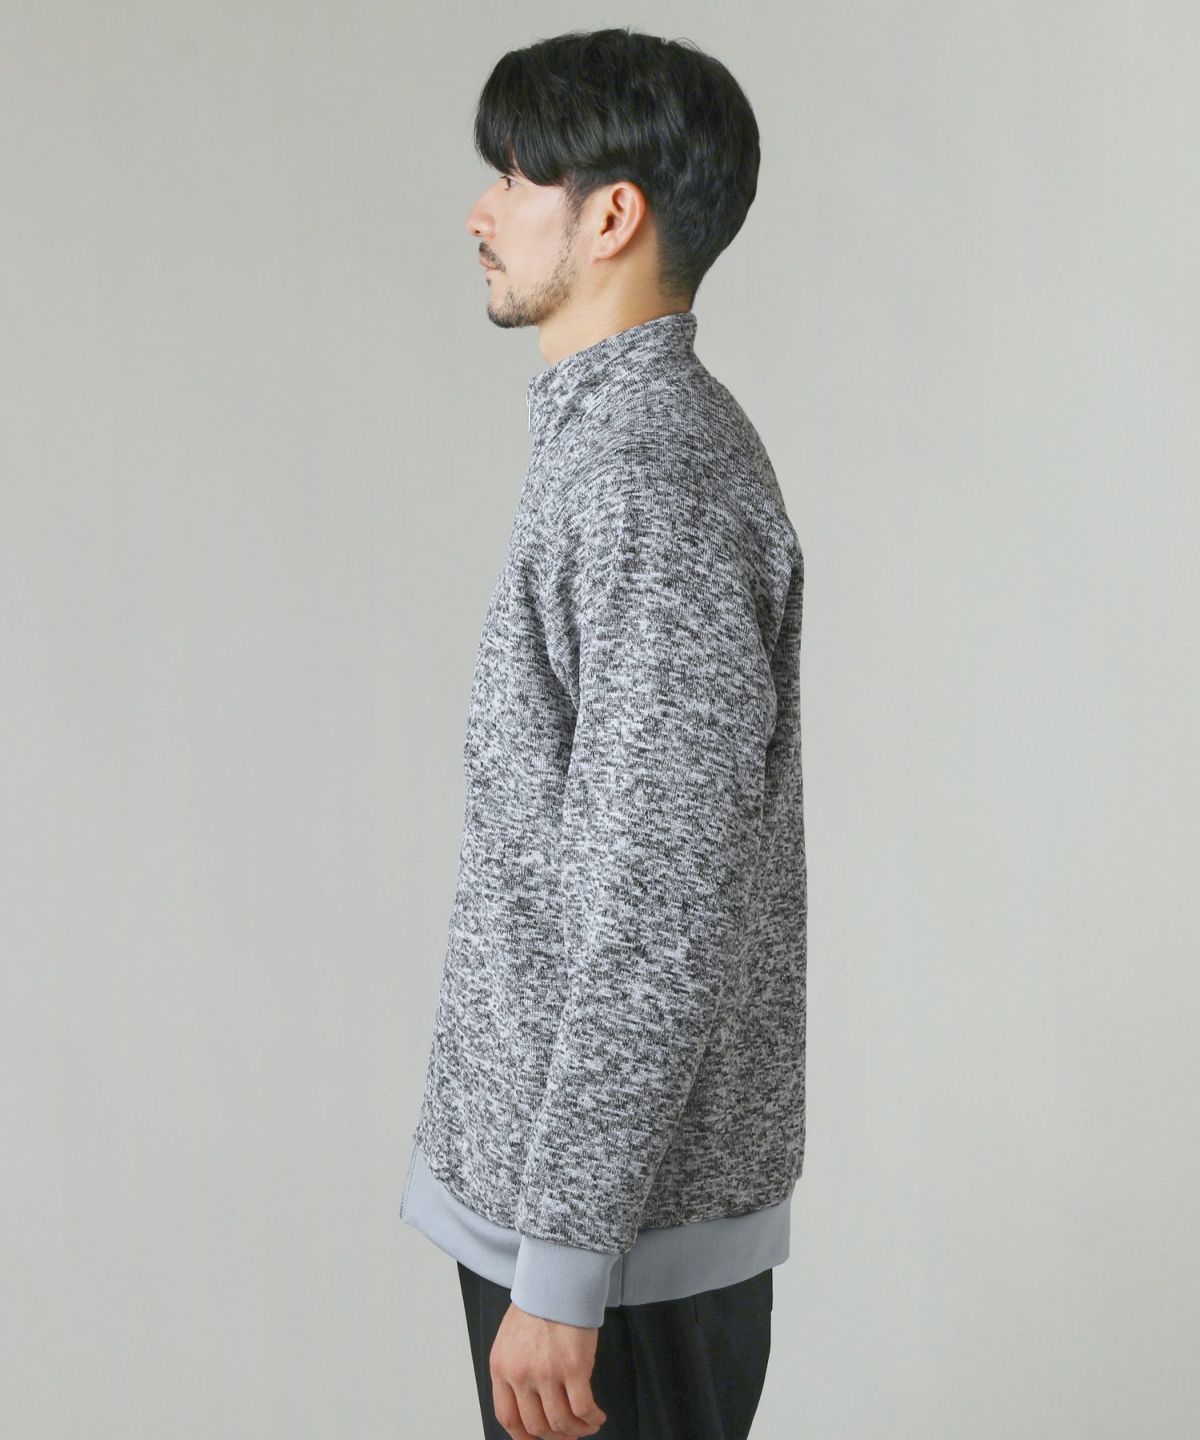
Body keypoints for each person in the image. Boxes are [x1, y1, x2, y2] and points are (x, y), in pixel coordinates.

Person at [399, 26, 807, 1440]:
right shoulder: (611, 447)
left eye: (516, 177)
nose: (483, 209)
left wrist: (564, 1268)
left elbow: (656, 900)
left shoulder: (649, 479)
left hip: (613, 1253)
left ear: (612, 214)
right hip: (577, 1222)